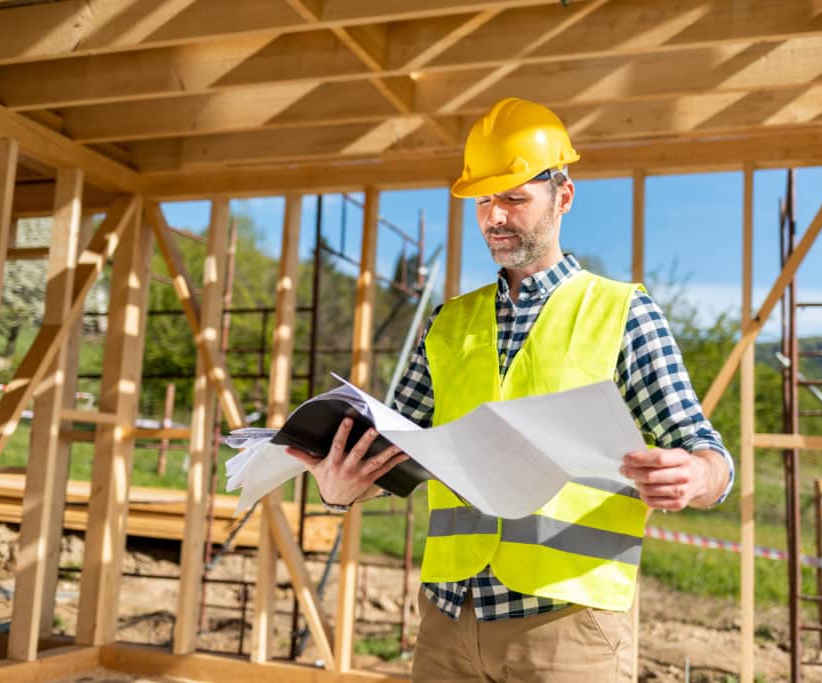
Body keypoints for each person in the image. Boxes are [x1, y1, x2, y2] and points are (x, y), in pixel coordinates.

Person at [287, 97, 734, 682]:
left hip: (566, 628)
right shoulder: (448, 324)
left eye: (514, 198)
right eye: (483, 201)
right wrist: (341, 488)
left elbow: (708, 454)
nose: (495, 217)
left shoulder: (621, 313)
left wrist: (695, 475)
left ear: (563, 196)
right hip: (448, 621)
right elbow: (398, 456)